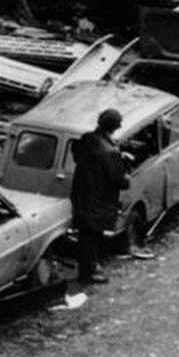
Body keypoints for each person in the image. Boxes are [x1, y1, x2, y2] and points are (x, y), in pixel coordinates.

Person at [71, 108, 130, 284]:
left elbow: (79, 156)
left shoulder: (87, 139)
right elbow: (119, 181)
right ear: (116, 127)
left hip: (81, 195)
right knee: (93, 237)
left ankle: (86, 268)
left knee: (84, 235)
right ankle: (88, 274)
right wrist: (124, 169)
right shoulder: (110, 152)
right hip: (99, 201)